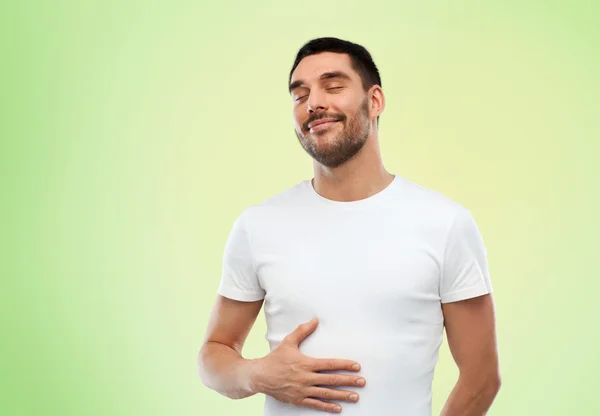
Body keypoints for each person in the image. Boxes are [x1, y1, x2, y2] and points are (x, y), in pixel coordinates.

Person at [198, 37, 501, 415]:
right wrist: (258, 374)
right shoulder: (258, 225)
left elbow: (482, 375)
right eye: (300, 94)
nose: (313, 103)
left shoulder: (445, 223)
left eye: (333, 86)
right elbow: (213, 356)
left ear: (374, 101)